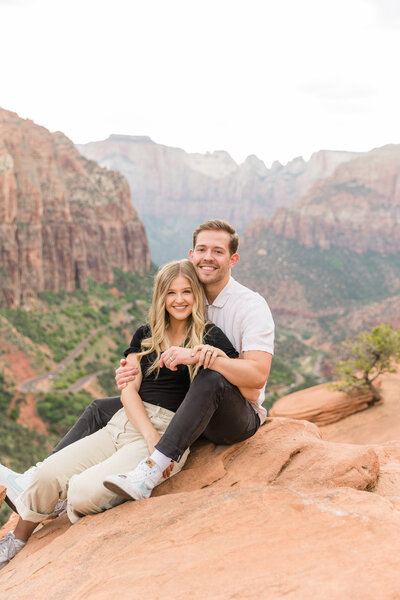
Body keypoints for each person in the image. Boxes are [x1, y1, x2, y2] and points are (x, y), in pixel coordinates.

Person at [0, 220, 274, 531]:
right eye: (202, 250)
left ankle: (154, 466)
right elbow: (130, 386)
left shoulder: (242, 311)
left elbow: (254, 386)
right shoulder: (150, 331)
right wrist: (130, 376)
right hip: (140, 421)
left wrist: (205, 356)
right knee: (98, 408)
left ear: (232, 259)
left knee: (209, 377)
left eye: (218, 251)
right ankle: (35, 485)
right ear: (191, 254)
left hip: (228, 411)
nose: (208, 257)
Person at [0, 259, 243, 569]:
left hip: (170, 430)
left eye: (186, 292)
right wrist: (149, 434)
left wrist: (212, 356)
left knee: (80, 493)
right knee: (46, 475)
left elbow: (232, 379)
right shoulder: (145, 334)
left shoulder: (209, 335)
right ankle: (17, 541)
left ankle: (59, 501)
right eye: (171, 293)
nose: (179, 300)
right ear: (161, 297)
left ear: (196, 294)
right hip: (127, 423)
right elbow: (128, 388)